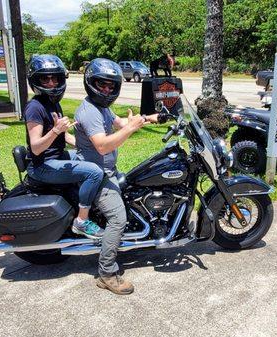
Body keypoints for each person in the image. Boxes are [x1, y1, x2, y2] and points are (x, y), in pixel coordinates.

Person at [74, 58, 161, 295]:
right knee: (117, 219)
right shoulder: (90, 111)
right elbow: (102, 146)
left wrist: (147, 118)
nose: (106, 89)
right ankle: (107, 273)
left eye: (111, 86)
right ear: (90, 83)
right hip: (97, 175)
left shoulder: (102, 107)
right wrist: (130, 129)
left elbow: (120, 122)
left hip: (107, 171)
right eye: (101, 85)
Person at [23, 54, 105, 239]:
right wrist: (55, 130)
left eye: (55, 78)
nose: (51, 83)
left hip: (57, 157)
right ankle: (82, 221)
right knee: (94, 172)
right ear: (36, 80)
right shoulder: (35, 108)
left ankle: (88, 202)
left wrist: (88, 145)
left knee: (91, 157)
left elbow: (64, 135)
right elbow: (36, 147)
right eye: (46, 78)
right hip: (42, 166)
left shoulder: (53, 103)